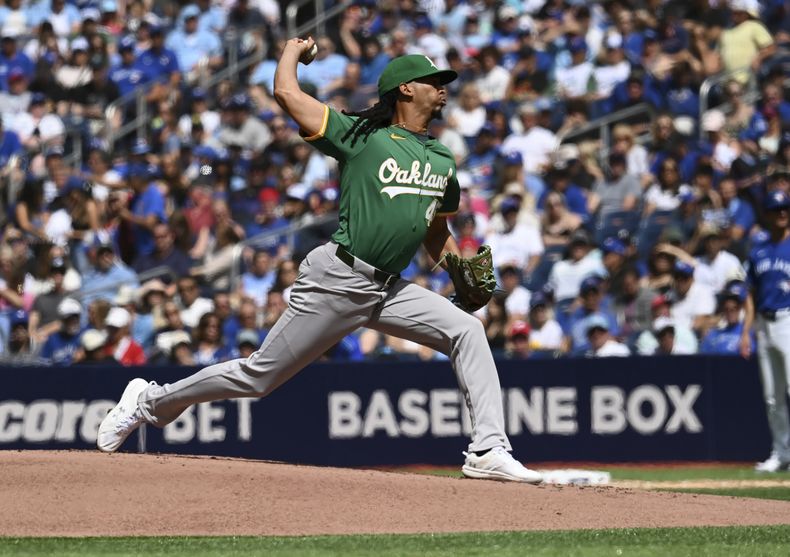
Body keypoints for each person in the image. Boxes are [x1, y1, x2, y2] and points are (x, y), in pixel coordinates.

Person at [97, 45, 542, 484]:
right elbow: (287, 94)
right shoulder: (362, 136)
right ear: (405, 89)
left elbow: (434, 230)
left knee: (468, 330)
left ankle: (488, 448)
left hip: (388, 289)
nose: (443, 89)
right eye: (434, 81)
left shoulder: (443, 159)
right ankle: (149, 402)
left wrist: (457, 268)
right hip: (339, 278)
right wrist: (291, 50)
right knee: (258, 377)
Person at [744, 191, 790, 472]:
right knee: (772, 396)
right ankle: (782, 452)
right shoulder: (758, 250)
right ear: (768, 214)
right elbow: (749, 293)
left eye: (785, 207)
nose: (781, 213)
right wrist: (745, 332)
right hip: (763, 323)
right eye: (776, 209)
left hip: (788, 319)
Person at [700, 281, 753, 356]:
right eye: (727, 309)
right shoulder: (713, 334)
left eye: (734, 309)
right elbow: (704, 357)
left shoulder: (747, 334)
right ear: (723, 310)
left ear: (739, 309)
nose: (730, 313)